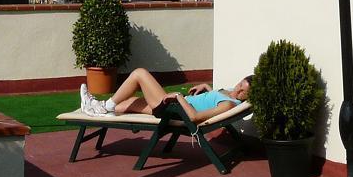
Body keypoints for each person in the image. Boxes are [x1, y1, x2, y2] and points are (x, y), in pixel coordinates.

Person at [80, 68, 251, 124]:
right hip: (175, 104)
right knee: (130, 102)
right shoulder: (229, 92)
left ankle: (104, 106)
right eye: (240, 84)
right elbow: (213, 98)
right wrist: (207, 87)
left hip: (174, 109)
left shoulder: (230, 105)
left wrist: (178, 96)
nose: (238, 89)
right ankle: (97, 106)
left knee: (139, 73)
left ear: (247, 96)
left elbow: (194, 117)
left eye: (242, 91)